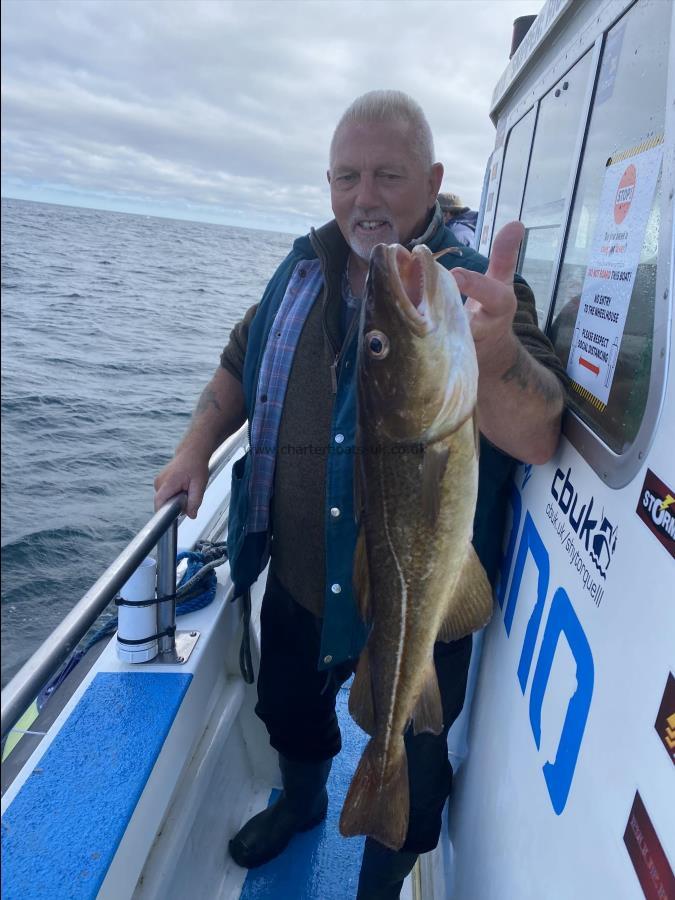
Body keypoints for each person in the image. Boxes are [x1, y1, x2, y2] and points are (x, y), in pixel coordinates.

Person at [154, 90, 567, 898]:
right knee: (289, 716)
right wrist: (192, 448)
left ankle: (378, 885)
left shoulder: (467, 293)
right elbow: (240, 359)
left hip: (419, 594)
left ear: (432, 179)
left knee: (413, 759)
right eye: (347, 176)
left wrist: (490, 357)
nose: (363, 197)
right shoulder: (305, 265)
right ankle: (304, 805)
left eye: (387, 175)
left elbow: (539, 430)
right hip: (302, 578)